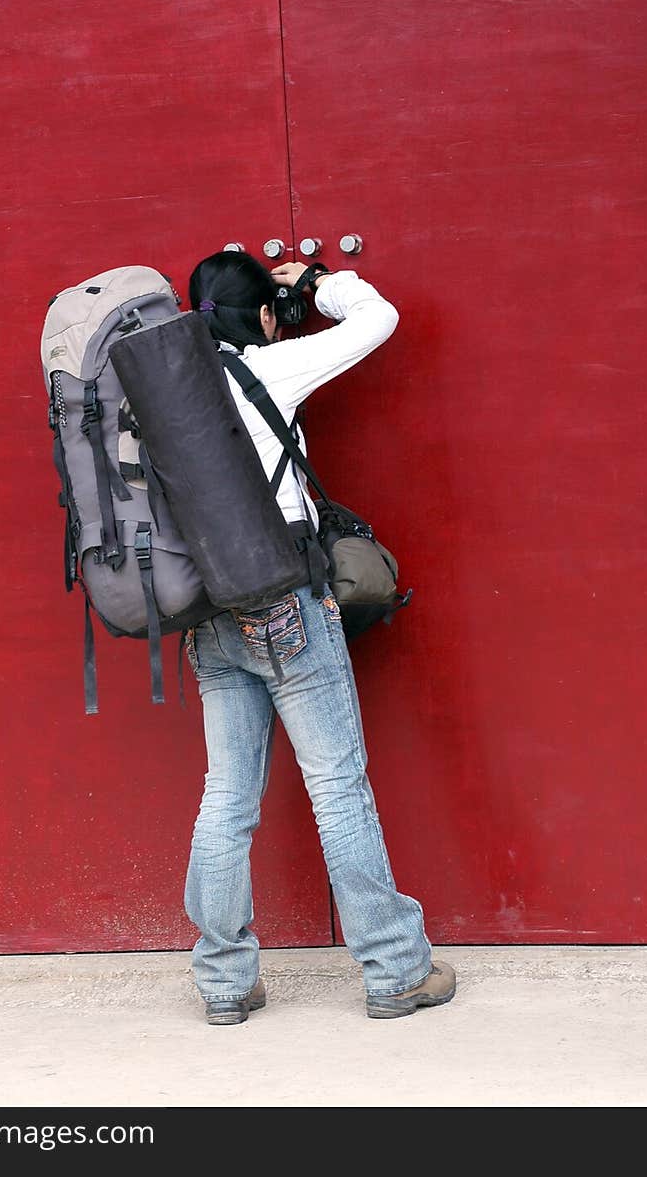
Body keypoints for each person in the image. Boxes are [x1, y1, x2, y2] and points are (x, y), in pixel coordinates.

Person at [183, 251, 456, 1024]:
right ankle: (396, 968)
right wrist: (318, 282)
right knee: (338, 787)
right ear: (261, 317)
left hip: (208, 614)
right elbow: (380, 320)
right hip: (284, 605)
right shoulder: (267, 369)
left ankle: (225, 983)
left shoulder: (166, 391)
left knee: (226, 797)